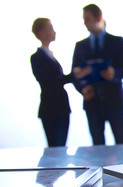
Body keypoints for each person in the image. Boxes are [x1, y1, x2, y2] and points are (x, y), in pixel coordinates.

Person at [72, 4, 123, 146]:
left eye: (87, 19)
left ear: (98, 19)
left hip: (114, 101)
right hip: (92, 103)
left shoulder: (117, 41)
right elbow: (75, 75)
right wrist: (83, 89)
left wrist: (114, 74)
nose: (85, 23)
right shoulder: (80, 46)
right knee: (97, 145)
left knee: (122, 141)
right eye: (84, 20)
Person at [31, 18, 75, 147]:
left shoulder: (51, 55)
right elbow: (49, 82)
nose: (54, 31)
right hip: (50, 108)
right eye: (50, 28)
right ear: (41, 33)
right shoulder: (37, 57)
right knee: (55, 148)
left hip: (62, 107)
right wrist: (74, 75)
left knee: (61, 148)